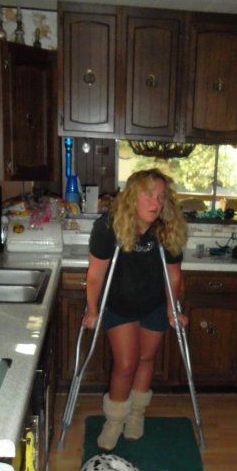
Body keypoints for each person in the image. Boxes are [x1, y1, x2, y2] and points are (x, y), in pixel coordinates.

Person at [82, 168, 188, 451]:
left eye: (161, 197)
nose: (156, 203)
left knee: (145, 358)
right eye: (149, 195)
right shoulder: (108, 227)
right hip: (119, 304)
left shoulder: (168, 228)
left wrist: (171, 309)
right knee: (126, 363)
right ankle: (115, 419)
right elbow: (95, 274)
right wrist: (92, 310)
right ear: (132, 197)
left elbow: (174, 276)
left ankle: (136, 415)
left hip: (153, 304)